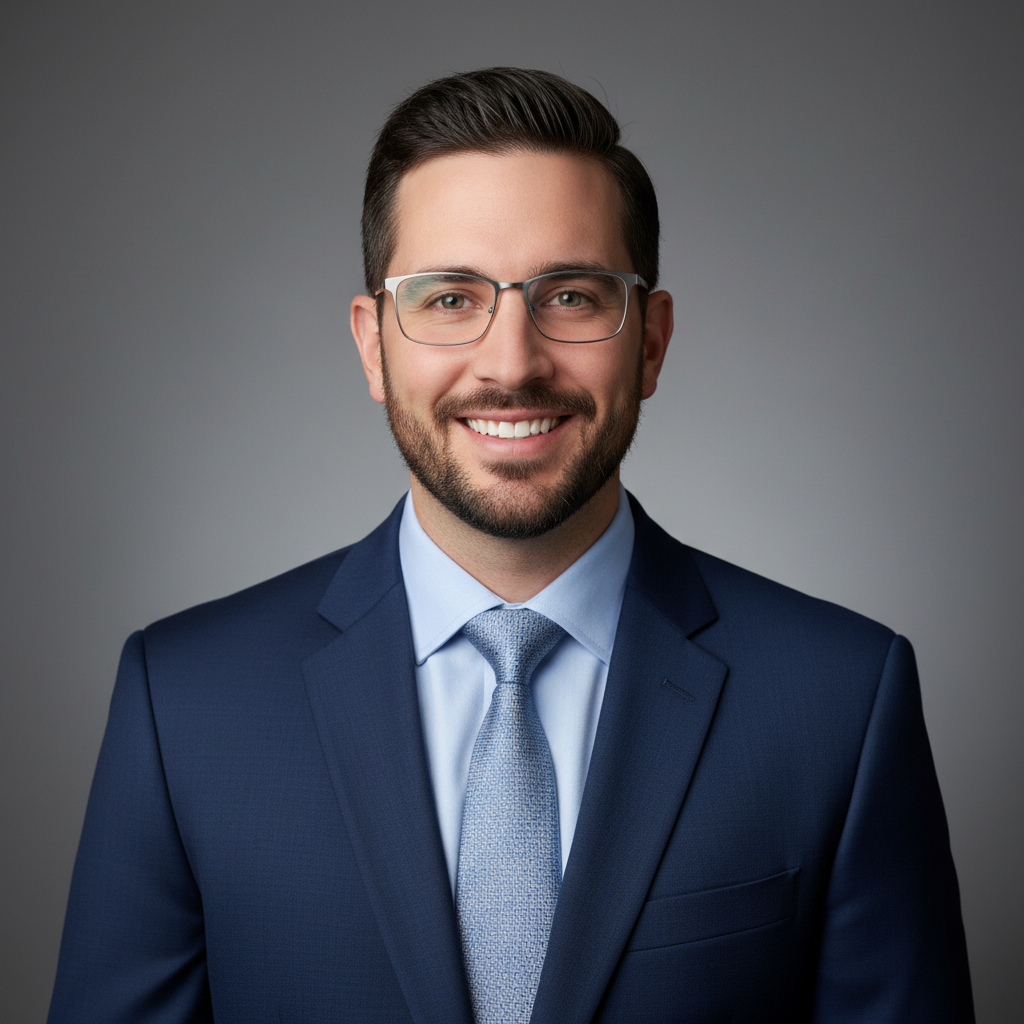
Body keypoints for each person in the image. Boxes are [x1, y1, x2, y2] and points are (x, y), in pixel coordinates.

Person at [48, 67, 974, 1024]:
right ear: (373, 344)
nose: (511, 362)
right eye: (449, 298)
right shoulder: (185, 700)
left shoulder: (842, 700)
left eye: (571, 295)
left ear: (650, 343)